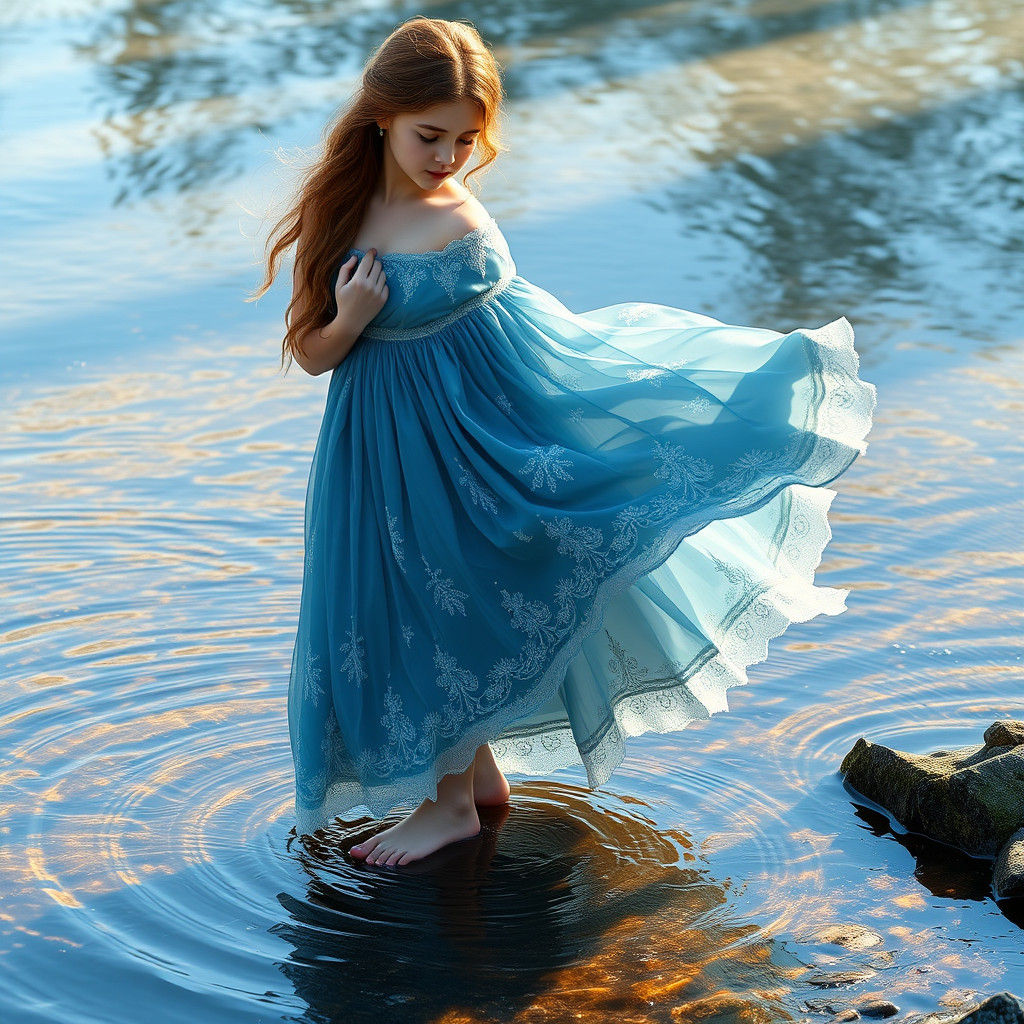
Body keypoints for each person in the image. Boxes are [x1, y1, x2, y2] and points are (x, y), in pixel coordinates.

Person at [253, 16, 877, 869]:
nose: (447, 158)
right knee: (396, 607)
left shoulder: (459, 223)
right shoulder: (339, 212)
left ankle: (449, 809)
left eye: (465, 140)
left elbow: (522, 352)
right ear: (381, 117)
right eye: (429, 136)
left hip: (461, 456)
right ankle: (474, 784)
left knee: (445, 607)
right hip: (375, 453)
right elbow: (312, 351)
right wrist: (353, 316)